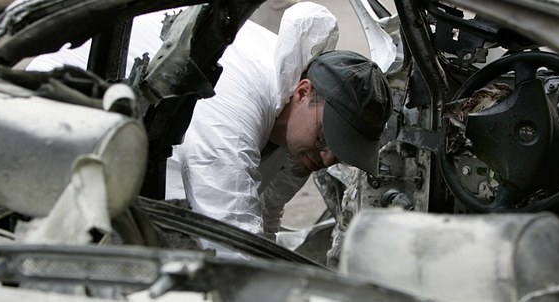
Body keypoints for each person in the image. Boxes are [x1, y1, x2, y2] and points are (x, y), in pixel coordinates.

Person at [27, 2, 394, 255]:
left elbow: (265, 213)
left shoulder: (301, 140)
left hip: (131, 140)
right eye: (326, 138)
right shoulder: (237, 101)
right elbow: (227, 233)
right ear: (302, 92)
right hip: (52, 118)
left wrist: (265, 264)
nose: (328, 157)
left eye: (340, 150)